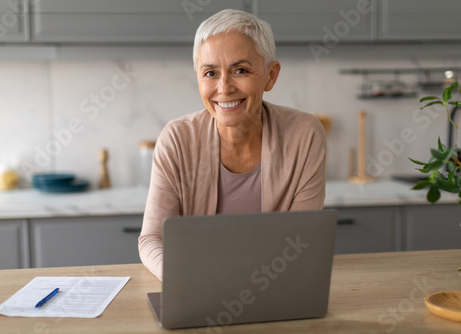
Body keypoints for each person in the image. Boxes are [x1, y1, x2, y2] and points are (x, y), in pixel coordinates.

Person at [138, 9, 326, 280]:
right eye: (210, 73)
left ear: (271, 75)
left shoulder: (304, 136)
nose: (224, 88)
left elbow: (298, 243)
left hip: (274, 290)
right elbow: (152, 239)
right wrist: (184, 279)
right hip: (194, 289)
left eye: (240, 70)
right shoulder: (177, 139)